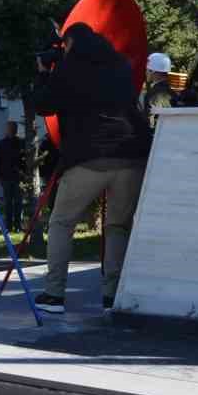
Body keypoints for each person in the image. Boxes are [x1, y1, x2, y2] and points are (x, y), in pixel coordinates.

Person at [31, 24, 152, 314]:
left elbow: (44, 106)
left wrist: (43, 74)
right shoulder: (120, 65)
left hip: (89, 157)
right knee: (118, 226)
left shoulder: (68, 69)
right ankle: (112, 296)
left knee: (62, 223)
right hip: (131, 154)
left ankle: (54, 294)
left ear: (71, 42)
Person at [0, 121, 26, 232]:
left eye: (13, 128)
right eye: (10, 128)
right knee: (8, 203)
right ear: (7, 130)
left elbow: (26, 160)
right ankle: (8, 225)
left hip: (19, 178)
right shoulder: (1, 144)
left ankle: (18, 225)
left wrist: (25, 174)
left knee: (18, 202)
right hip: (6, 177)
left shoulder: (22, 143)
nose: (11, 130)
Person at [141, 52, 174, 128]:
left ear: (153, 71)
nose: (145, 72)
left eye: (147, 70)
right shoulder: (172, 92)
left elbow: (150, 123)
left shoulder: (153, 94)